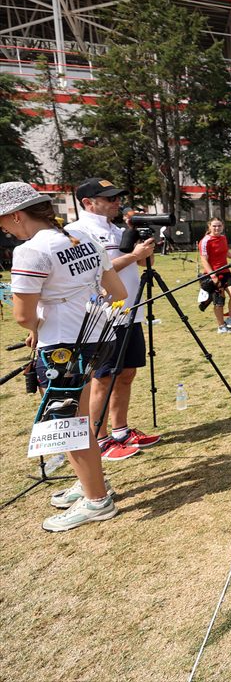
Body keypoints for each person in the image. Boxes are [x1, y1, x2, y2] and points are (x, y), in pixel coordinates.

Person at [2, 181, 127, 531]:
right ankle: (90, 483)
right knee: (80, 420)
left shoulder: (30, 251)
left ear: (16, 216)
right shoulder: (83, 237)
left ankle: (97, 501)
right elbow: (117, 292)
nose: (3, 229)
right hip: (97, 336)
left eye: (3, 221)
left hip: (61, 348)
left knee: (64, 427)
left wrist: (40, 324)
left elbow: (24, 316)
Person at [69, 178, 160, 460]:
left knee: (127, 373)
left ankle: (120, 430)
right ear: (88, 203)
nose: (116, 203)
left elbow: (144, 263)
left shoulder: (117, 229)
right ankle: (100, 438)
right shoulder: (77, 232)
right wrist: (134, 255)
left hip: (131, 311)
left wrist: (145, 253)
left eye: (117, 198)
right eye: (109, 199)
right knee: (103, 377)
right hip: (103, 317)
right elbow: (92, 272)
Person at [198, 217, 231, 334]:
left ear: (223, 227)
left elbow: (227, 253)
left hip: (225, 272)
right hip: (212, 274)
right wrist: (213, 276)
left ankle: (230, 321)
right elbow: (204, 260)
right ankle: (221, 326)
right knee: (219, 301)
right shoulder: (205, 241)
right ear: (209, 227)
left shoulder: (223, 238)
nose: (217, 228)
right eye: (214, 226)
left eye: (219, 226)